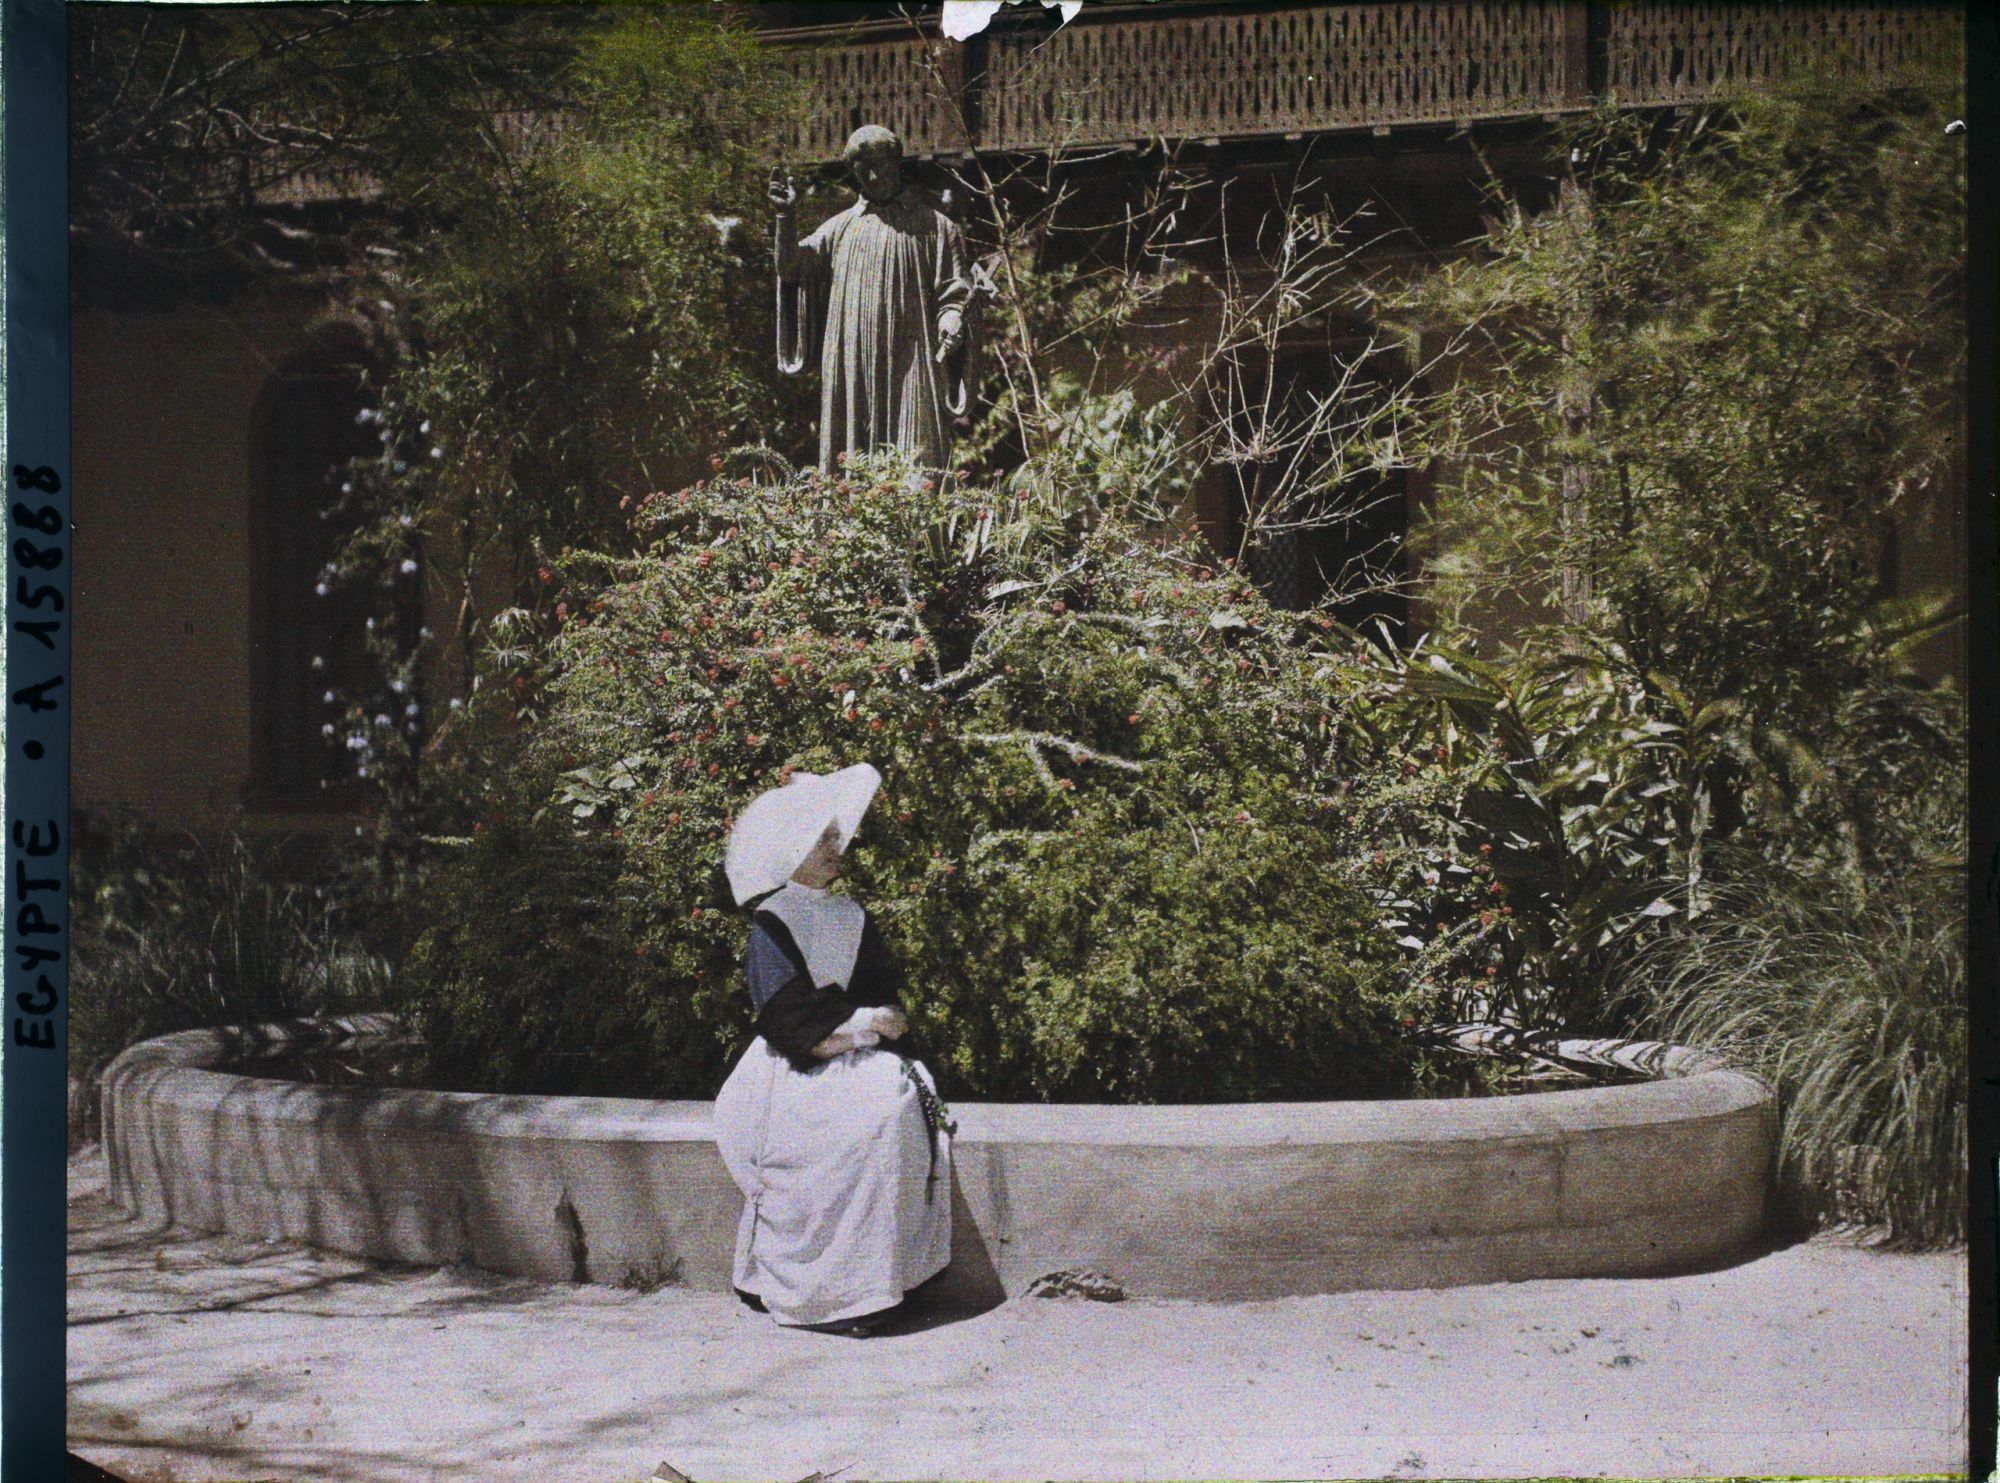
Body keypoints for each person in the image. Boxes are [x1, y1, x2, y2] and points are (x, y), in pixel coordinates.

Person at [713, 764, 953, 1335]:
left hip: (859, 1055)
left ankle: (881, 1287)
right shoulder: (771, 921)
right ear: (793, 847)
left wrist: (879, 1020)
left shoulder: (852, 916)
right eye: (821, 838)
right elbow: (787, 1018)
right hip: (793, 1064)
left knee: (892, 1112)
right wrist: (863, 1026)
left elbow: (882, 996)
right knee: (837, 1131)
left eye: (834, 836)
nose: (834, 847)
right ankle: (817, 1292)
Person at [771, 124, 973, 471]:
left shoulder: (936, 228)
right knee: (853, 468)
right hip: (852, 363)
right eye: (865, 169)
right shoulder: (839, 229)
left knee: (918, 466)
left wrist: (951, 317)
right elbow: (791, 267)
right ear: (854, 174)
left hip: (912, 360)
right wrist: (785, 216)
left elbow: (954, 291)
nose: (876, 175)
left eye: (883, 164)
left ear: (898, 164)